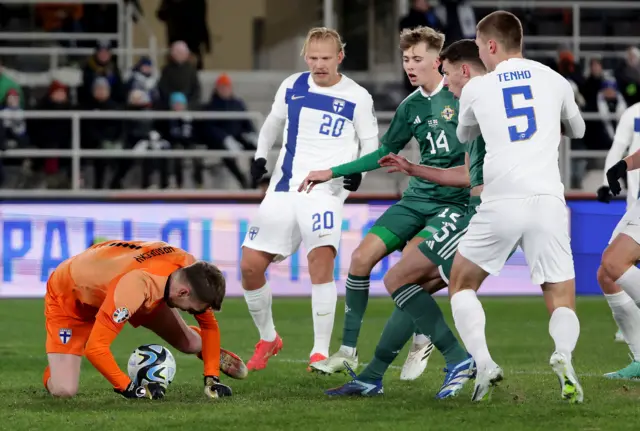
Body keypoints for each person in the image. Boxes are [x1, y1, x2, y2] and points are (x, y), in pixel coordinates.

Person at [301, 26, 468, 380]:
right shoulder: (410, 106)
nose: (410, 65)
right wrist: (330, 171)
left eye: (417, 59)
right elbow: (383, 153)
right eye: (406, 59)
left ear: (438, 61)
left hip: (453, 204)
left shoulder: (463, 98)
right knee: (360, 259)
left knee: (410, 271)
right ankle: (347, 352)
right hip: (417, 197)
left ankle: (424, 335)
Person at [446, 11, 585, 403]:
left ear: (491, 45)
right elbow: (579, 130)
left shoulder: (476, 88)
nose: (478, 54)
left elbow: (464, 134)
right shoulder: (556, 80)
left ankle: (485, 362)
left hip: (501, 199)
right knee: (559, 293)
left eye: (477, 46)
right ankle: (564, 357)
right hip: (546, 200)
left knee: (462, 283)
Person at [241, 27, 378, 371]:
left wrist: (359, 171)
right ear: (306, 56)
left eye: (325, 58)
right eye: (313, 58)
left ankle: (318, 351)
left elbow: (372, 143)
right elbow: (273, 123)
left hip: (325, 191)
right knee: (249, 265)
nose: (318, 65)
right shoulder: (292, 85)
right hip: (284, 186)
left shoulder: (357, 96)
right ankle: (269, 338)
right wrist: (260, 156)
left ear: (339, 58)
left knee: (320, 261)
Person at [43, 240, 247, 399]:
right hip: (71, 298)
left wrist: (212, 378)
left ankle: (203, 347)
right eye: (194, 309)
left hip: (123, 280)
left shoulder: (190, 270)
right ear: (183, 292)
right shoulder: (134, 288)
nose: (196, 312)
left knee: (191, 343)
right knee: (64, 390)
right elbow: (96, 349)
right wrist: (130, 388)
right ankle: (59, 364)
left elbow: (209, 323)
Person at [597, 101, 640, 345]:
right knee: (607, 274)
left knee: (614, 263)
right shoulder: (633, 113)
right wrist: (621, 167)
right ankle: (639, 359)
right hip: (635, 203)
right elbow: (618, 149)